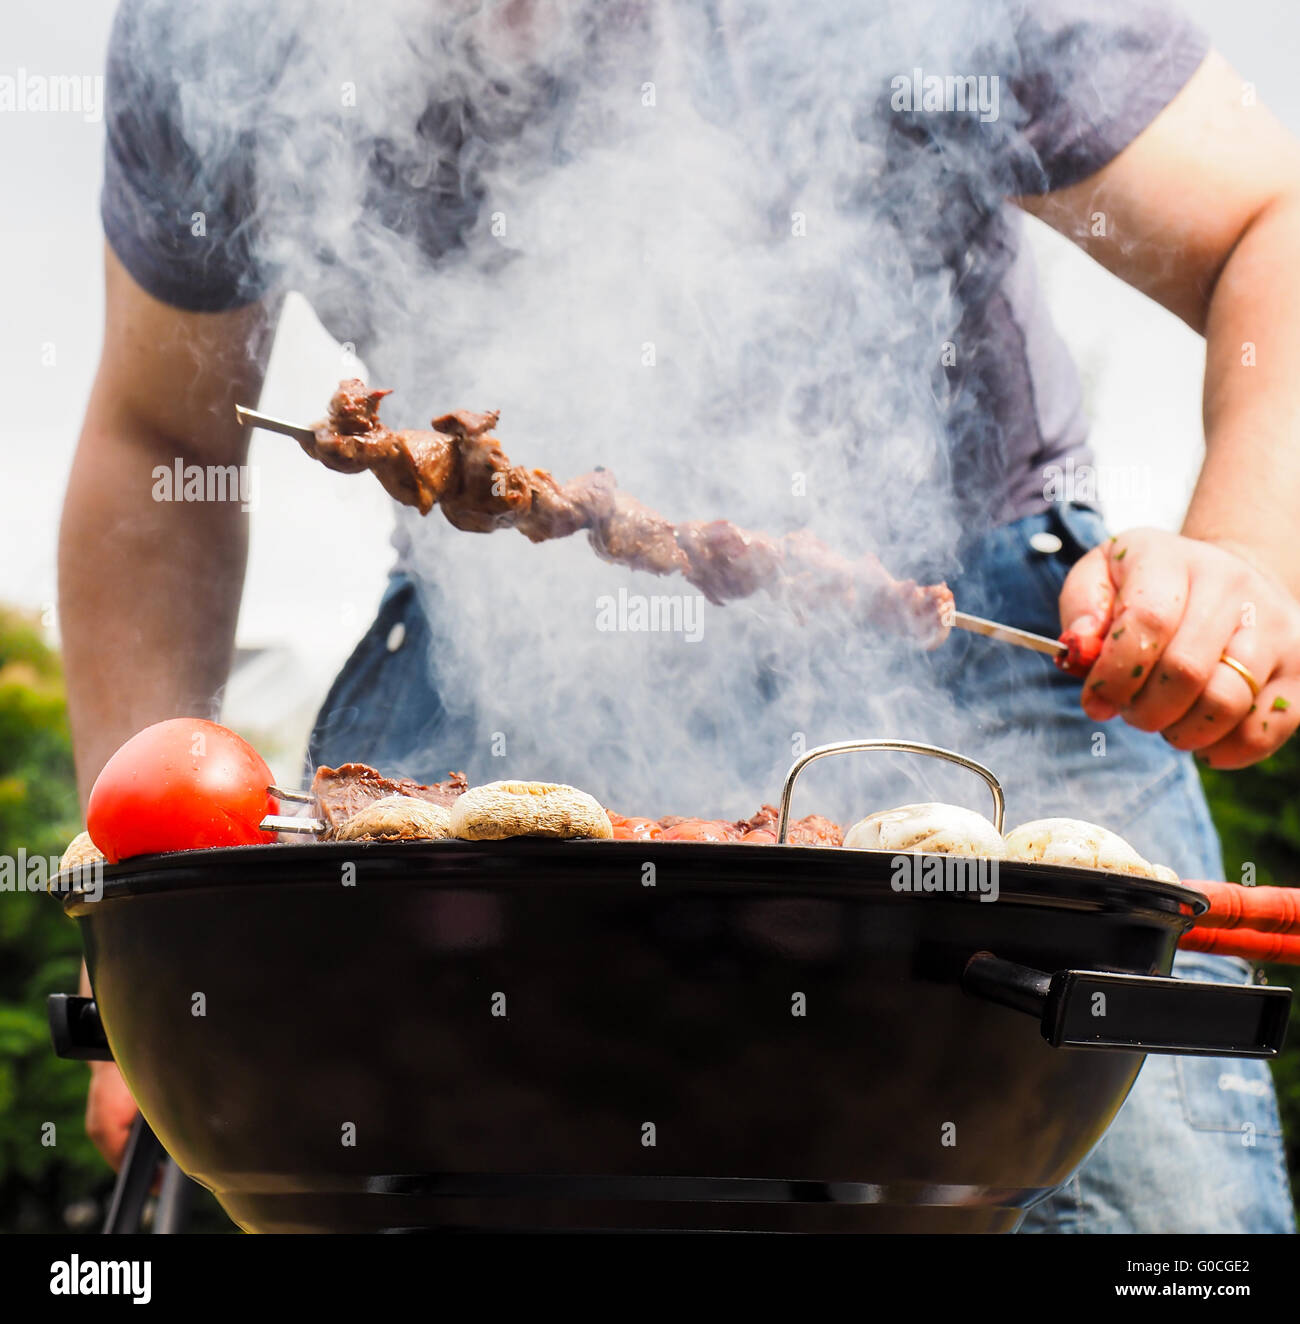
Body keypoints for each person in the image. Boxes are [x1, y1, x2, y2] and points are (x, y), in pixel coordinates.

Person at [61, 0, 1300, 1232]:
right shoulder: (214, 24)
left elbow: (1268, 222)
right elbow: (163, 433)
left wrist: (1244, 559)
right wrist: (132, 924)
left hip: (980, 651)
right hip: (477, 682)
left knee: (1157, 1227)